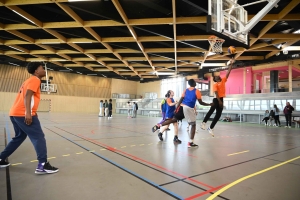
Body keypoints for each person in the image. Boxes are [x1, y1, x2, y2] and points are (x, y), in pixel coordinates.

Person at [0, 62, 59, 174]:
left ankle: (0, 158)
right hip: (22, 113)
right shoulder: (35, 80)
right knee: (39, 137)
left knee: (19, 137)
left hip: (15, 113)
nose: (44, 70)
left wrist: (32, 111)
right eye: (42, 68)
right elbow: (28, 95)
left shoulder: (28, 80)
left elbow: (27, 97)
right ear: (36, 71)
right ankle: (42, 165)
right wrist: (28, 113)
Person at [152, 80, 212, 147]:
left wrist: (177, 108)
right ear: (194, 83)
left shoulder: (185, 90)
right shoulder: (196, 91)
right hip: (188, 108)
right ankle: (191, 142)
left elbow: (181, 99)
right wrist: (209, 104)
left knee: (174, 120)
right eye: (195, 82)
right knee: (193, 125)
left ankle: (158, 126)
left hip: (181, 107)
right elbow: (200, 102)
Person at [200, 59, 234, 137]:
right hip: (216, 99)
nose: (217, 76)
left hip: (221, 99)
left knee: (218, 115)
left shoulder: (223, 81)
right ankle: (203, 123)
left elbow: (228, 73)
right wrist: (219, 101)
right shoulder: (215, 84)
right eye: (215, 77)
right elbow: (216, 93)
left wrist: (231, 64)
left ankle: (211, 128)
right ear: (215, 79)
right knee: (211, 110)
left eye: (218, 75)